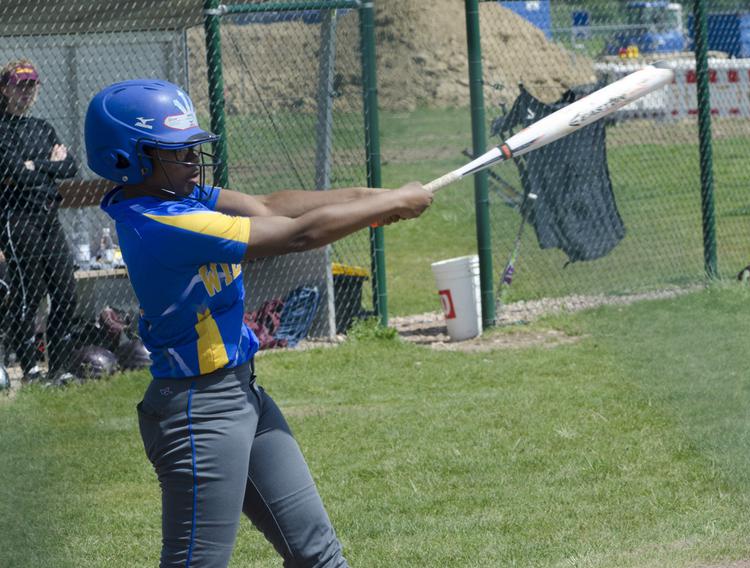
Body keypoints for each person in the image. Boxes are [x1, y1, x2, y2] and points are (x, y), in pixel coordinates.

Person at [85, 79, 432, 567]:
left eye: (191, 150)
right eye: (176, 152)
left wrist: (381, 195)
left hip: (242, 394)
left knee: (318, 554)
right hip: (197, 411)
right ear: (127, 159)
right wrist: (389, 205)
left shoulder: (182, 196)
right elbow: (296, 235)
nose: (191, 162)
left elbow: (272, 206)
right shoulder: (160, 220)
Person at [0, 59, 79, 385]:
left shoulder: (42, 127)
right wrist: (47, 164)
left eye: (32, 85)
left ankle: (58, 368)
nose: (27, 91)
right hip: (18, 219)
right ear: (5, 89)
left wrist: (36, 164)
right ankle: (30, 367)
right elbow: (13, 173)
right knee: (28, 293)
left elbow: (70, 167)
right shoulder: (2, 129)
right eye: (20, 85)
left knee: (65, 292)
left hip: (48, 217)